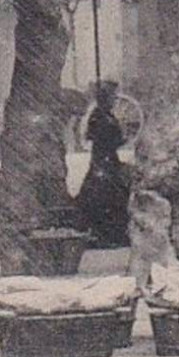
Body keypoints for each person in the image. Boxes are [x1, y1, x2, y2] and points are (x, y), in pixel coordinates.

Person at [74, 80, 131, 248]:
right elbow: (107, 138)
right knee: (107, 196)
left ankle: (108, 232)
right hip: (104, 160)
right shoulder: (101, 117)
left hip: (105, 159)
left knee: (108, 195)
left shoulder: (102, 116)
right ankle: (105, 233)